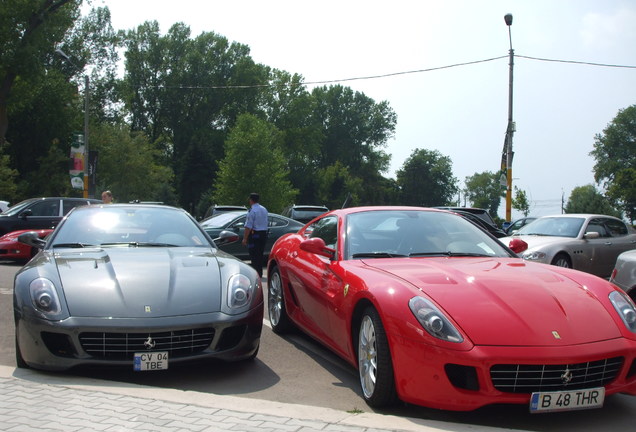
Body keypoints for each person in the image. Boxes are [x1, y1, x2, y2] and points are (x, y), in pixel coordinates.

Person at [242, 193, 268, 277]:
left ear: (251, 200)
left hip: (254, 235)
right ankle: (259, 273)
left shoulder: (252, 211)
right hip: (263, 234)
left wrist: (245, 238)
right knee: (260, 254)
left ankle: (255, 274)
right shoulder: (264, 209)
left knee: (253, 255)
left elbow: (248, 226)